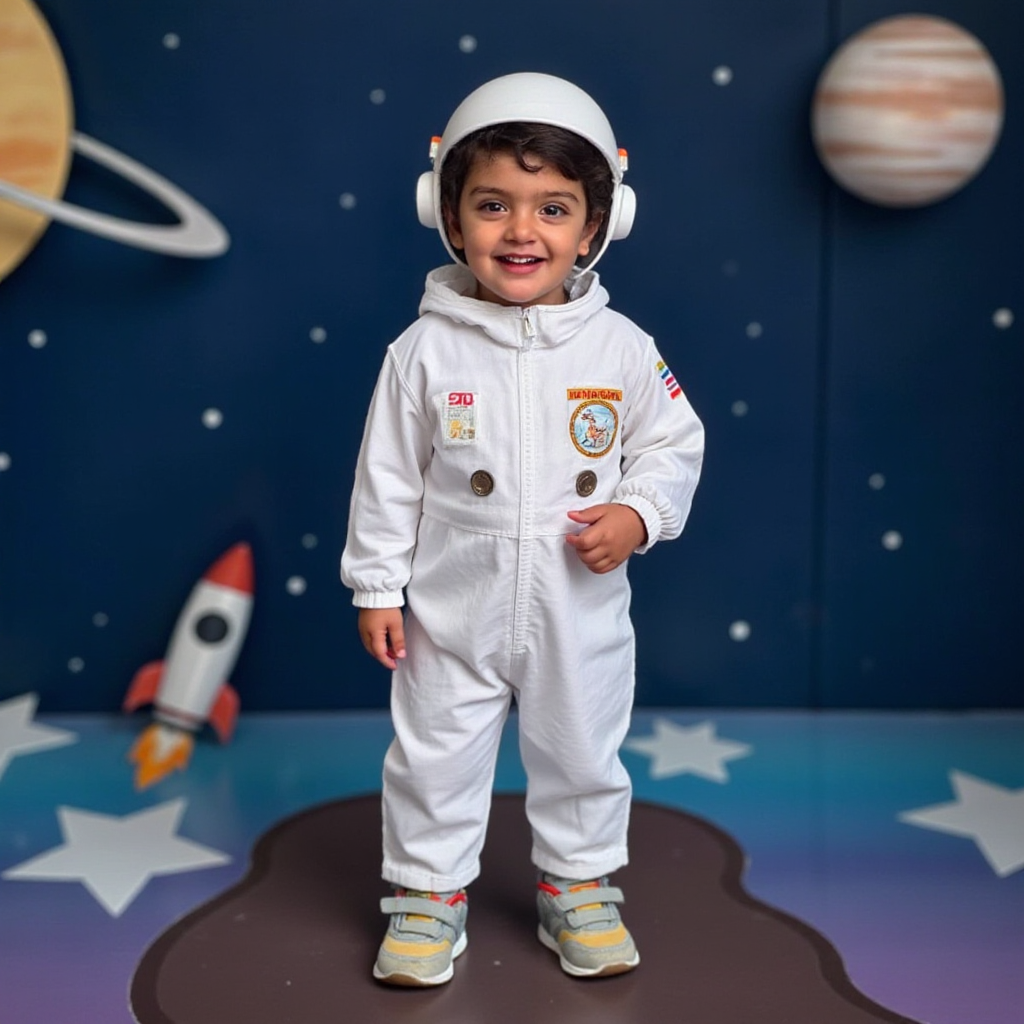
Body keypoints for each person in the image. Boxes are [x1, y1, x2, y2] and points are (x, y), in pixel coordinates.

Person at [341, 72, 704, 987]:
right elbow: (386, 479)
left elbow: (672, 444)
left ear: (596, 226)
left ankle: (578, 884)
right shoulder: (423, 351)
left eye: (553, 208)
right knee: (434, 752)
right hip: (450, 609)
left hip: (573, 611)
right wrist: (378, 586)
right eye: (493, 205)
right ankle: (427, 897)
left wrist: (637, 513)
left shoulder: (620, 347)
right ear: (448, 217)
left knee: (581, 749)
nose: (521, 231)